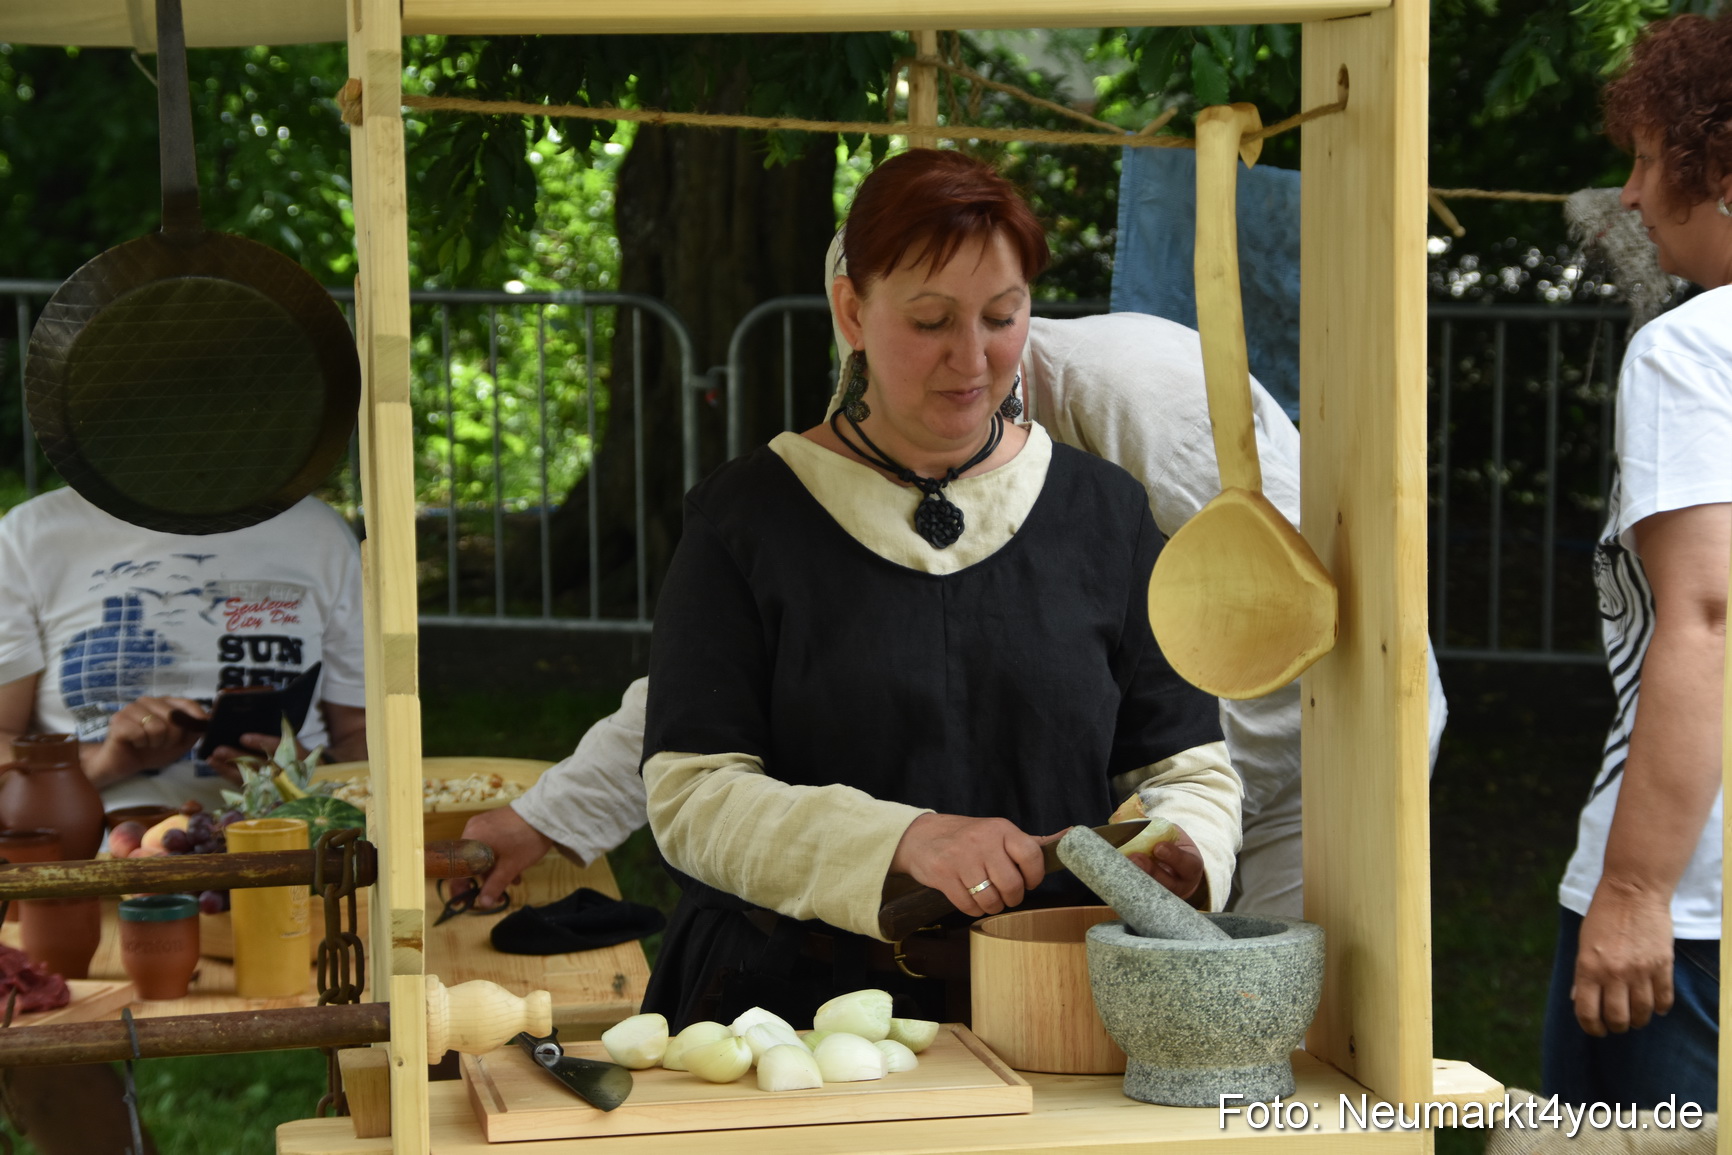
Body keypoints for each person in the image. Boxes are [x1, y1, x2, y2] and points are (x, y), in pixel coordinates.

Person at [461, 298, 1450, 925]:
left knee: (1259, 1063)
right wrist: (553, 819)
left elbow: (1277, 657)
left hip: (1326, 755)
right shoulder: (881, 428)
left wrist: (1162, 837)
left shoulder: (1147, 403)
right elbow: (721, 684)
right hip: (1148, 803)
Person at [629, 148, 1241, 1028]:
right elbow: (690, 791)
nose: (973, 358)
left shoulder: (1107, 514)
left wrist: (1188, 850)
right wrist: (905, 839)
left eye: (1003, 315)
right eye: (929, 321)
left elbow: (1186, 766)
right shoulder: (747, 518)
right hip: (788, 1018)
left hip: (1054, 1013)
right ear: (852, 311)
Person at [1541, 9, 1732, 1111]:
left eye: (1649, 158)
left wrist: (1631, 891)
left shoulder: (1693, 350)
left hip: (1689, 922)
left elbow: (1706, 616)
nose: (1626, 194)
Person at [0, 487, 369, 810]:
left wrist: (305, 773)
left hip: (299, 855)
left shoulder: (318, 533)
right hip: (90, 862)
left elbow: (366, 735)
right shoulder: (31, 536)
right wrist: (103, 763)